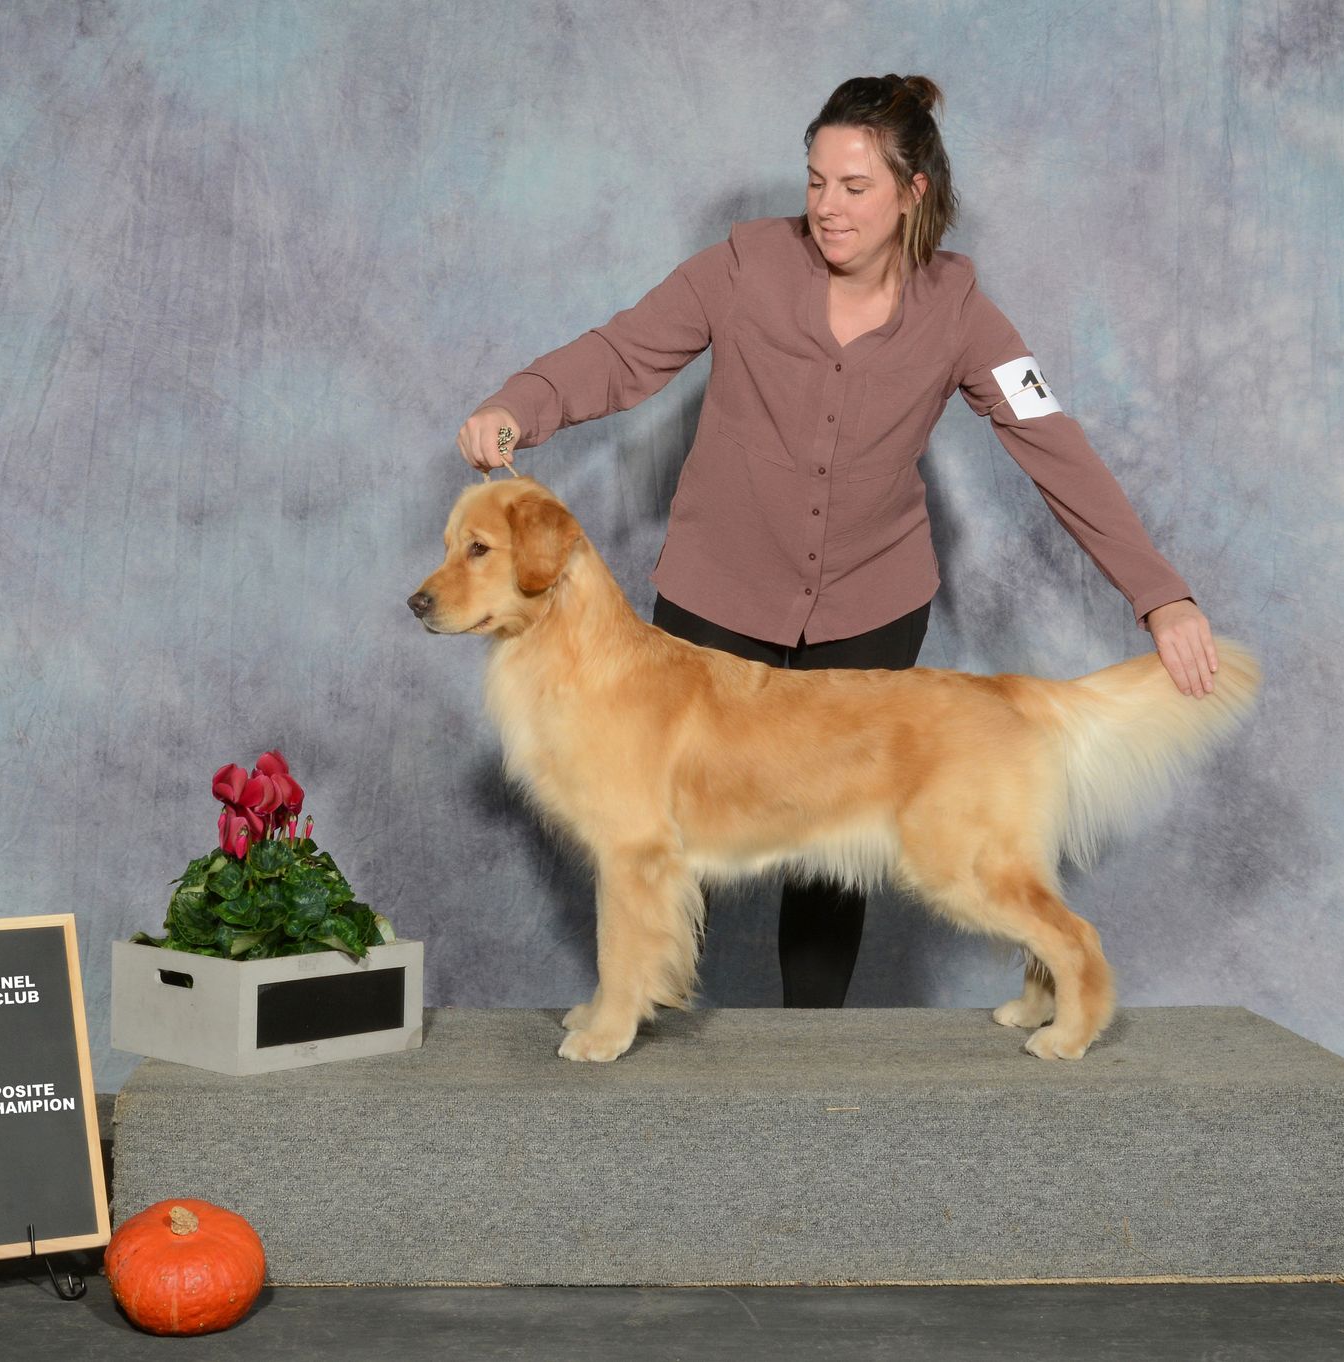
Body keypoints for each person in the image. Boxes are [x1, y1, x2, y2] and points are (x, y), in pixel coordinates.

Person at [455, 74, 1219, 1009]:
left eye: (856, 186)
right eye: (816, 181)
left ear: (913, 193)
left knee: (835, 859)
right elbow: (622, 353)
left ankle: (812, 1048)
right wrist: (520, 405)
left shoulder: (962, 310)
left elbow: (1050, 441)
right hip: (715, 601)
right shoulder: (741, 266)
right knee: (656, 827)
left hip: (869, 607)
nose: (827, 206)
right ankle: (643, 1015)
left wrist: (1159, 594)